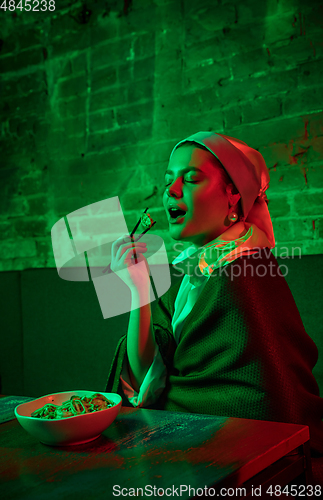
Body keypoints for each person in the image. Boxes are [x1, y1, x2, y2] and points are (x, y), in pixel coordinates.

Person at [106, 131, 323, 456]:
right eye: (168, 181)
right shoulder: (203, 266)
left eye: (191, 179)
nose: (171, 190)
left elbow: (264, 404)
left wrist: (168, 397)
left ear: (233, 195)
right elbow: (148, 376)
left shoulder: (243, 275)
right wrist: (139, 288)